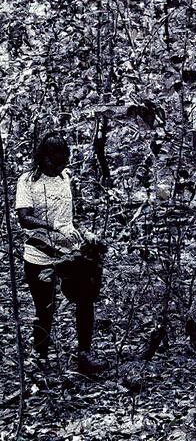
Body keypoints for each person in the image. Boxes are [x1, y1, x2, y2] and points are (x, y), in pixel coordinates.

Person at [15, 132, 106, 374]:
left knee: (85, 301)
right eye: (55, 162)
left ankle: (84, 354)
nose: (59, 167)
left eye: (63, 162)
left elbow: (71, 216)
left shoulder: (66, 177)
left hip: (70, 253)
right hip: (39, 254)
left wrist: (84, 233)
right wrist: (51, 226)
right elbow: (24, 218)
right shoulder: (27, 181)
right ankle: (40, 358)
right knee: (45, 309)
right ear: (43, 158)